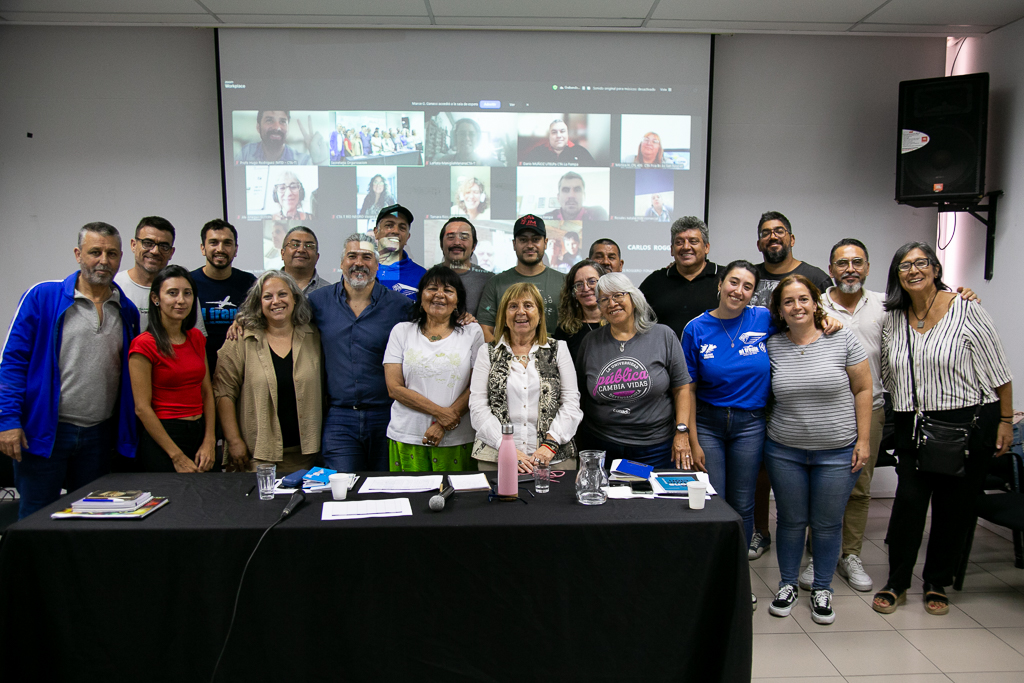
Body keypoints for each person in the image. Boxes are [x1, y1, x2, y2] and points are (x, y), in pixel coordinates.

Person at [812, 238, 980, 593]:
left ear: (868, 267)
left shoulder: (888, 307)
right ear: (830, 270)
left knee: (859, 486)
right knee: (820, 486)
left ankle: (850, 555)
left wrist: (962, 296)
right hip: (821, 410)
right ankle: (819, 554)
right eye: (842, 263)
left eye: (857, 262)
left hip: (870, 408)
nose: (850, 269)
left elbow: (929, 311)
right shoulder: (813, 305)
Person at [872, 242, 1013, 617]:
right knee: (909, 505)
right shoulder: (893, 318)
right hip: (913, 423)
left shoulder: (966, 309)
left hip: (966, 425)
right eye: (905, 266)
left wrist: (1005, 420)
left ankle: (936, 581)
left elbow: (999, 372)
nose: (913, 270)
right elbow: (888, 371)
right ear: (897, 275)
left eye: (921, 263)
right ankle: (897, 581)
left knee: (953, 509)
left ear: (935, 269)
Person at [0, 222, 140, 519]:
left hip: (98, 436)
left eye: (112, 253)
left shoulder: (125, 309)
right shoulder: (42, 297)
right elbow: (12, 362)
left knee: (89, 522)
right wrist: (7, 420)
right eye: (95, 252)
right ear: (78, 254)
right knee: (36, 519)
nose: (104, 260)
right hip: (45, 433)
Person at [763, 275, 872, 625]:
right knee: (791, 521)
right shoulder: (772, 345)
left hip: (837, 451)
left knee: (826, 524)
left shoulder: (841, 337)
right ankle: (787, 585)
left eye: (803, 299)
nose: (797, 306)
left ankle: (823, 588)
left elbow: (863, 389)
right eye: (788, 301)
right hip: (785, 450)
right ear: (780, 310)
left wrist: (864, 440)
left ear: (815, 303)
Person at [748, 210, 833, 559]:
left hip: (805, 384)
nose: (773, 237)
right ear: (759, 243)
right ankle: (761, 531)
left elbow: (832, 316)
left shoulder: (815, 276)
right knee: (760, 470)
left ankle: (813, 538)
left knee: (811, 468)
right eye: (766, 232)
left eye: (780, 231)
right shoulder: (750, 276)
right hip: (761, 389)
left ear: (791, 239)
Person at [681, 260, 772, 550]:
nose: (738, 291)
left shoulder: (764, 318)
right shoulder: (695, 328)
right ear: (720, 284)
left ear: (753, 293)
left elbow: (802, 322)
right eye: (734, 282)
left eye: (747, 287)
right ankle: (714, 566)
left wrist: (827, 321)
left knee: (744, 501)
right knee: (714, 498)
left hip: (750, 424)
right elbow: (688, 389)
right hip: (708, 423)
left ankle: (738, 570)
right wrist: (693, 439)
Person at [308, 234, 414, 471]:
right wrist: (244, 322)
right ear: (341, 263)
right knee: (342, 486)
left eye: (366, 257)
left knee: (386, 486)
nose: (359, 263)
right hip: (340, 417)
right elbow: (282, 323)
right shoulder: (317, 302)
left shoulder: (400, 306)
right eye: (352, 256)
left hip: (387, 415)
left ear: (377, 264)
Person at [576, 273, 696, 470]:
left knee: (649, 491)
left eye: (618, 295)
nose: (612, 303)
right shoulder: (590, 342)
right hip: (602, 444)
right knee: (606, 491)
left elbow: (682, 389)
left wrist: (682, 432)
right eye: (604, 299)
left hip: (654, 448)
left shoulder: (663, 336)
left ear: (633, 298)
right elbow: (581, 393)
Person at [214, 271, 322, 476]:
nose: (276, 301)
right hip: (256, 456)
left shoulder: (313, 336)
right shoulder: (241, 338)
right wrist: (234, 440)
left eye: (282, 294)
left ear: (294, 298)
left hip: (305, 456)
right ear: (258, 302)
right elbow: (223, 393)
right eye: (267, 296)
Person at [469, 283, 582, 472]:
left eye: (528, 305)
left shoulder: (558, 349)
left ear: (540, 315)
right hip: (496, 458)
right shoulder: (487, 352)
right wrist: (506, 448)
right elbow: (478, 407)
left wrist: (549, 445)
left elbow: (571, 403)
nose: (520, 312)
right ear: (504, 316)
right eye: (513, 306)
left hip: (554, 459)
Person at [384, 266, 485, 472]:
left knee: (457, 493)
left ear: (457, 300)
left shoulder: (472, 332)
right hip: (407, 434)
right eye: (432, 288)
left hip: (458, 437)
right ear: (421, 296)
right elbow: (394, 388)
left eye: (448, 290)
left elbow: (477, 386)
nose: (439, 295)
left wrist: (442, 424)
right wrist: (441, 414)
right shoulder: (401, 331)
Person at [128, 266, 216, 474]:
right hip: (165, 438)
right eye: (172, 293)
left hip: (199, 434)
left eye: (187, 293)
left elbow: (206, 392)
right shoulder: (143, 344)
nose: (181, 300)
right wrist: (176, 456)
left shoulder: (196, 337)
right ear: (156, 299)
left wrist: (210, 440)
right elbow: (142, 408)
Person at [477, 214, 565, 342]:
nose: (530, 245)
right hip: (506, 353)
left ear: (545, 243)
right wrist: (502, 353)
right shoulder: (496, 283)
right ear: (514, 244)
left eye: (535, 239)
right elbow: (485, 329)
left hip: (556, 353)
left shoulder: (564, 281)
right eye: (523, 240)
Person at [115, 216, 207, 336]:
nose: (155, 251)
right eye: (148, 243)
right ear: (133, 245)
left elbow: (196, 338)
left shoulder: (183, 290)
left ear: (171, 252)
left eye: (164, 246)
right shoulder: (115, 286)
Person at [190, 219, 257, 375]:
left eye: (227, 243)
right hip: (198, 369)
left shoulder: (249, 282)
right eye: (213, 243)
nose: (220, 249)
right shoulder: (188, 283)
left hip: (241, 370)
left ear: (235, 249)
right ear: (203, 248)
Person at [639, 216, 722, 338]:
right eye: (679, 242)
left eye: (693, 241)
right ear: (672, 249)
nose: (686, 247)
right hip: (665, 350)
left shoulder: (725, 278)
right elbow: (636, 321)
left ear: (706, 247)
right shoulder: (654, 282)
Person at [438, 217, 493, 316]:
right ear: (441, 244)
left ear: (474, 246)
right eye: (450, 237)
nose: (457, 242)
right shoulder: (428, 277)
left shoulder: (490, 281)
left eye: (464, 237)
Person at [554, 259, 606, 361]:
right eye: (579, 284)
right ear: (573, 293)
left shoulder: (617, 324)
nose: (586, 288)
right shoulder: (564, 331)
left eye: (592, 281)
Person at [374, 204, 427, 300]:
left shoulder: (422, 276)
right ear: (376, 232)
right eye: (389, 225)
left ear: (407, 237)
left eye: (402, 228)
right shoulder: (360, 269)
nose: (395, 231)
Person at [235, 110, 319, 164]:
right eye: (269, 120)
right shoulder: (245, 153)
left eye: (282, 121)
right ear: (258, 127)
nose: (277, 127)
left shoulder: (302, 161)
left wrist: (320, 161)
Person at [280, 226, 332, 295]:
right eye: (295, 245)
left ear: (317, 257)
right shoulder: (267, 287)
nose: (301, 250)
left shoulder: (330, 293)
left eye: (309, 246)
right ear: (282, 253)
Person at [522, 118, 596, 165]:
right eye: (554, 132)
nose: (559, 135)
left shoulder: (581, 152)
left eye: (562, 131)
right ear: (549, 136)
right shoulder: (537, 152)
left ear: (567, 134)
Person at [544, 171, 608, 222]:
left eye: (577, 190)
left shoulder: (597, 214)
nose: (571, 195)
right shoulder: (546, 219)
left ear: (584, 196)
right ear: (558, 197)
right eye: (566, 190)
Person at [435, 118, 501, 166]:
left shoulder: (494, 164)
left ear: (477, 139)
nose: (467, 138)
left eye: (472, 134)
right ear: (455, 138)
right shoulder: (443, 161)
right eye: (462, 134)